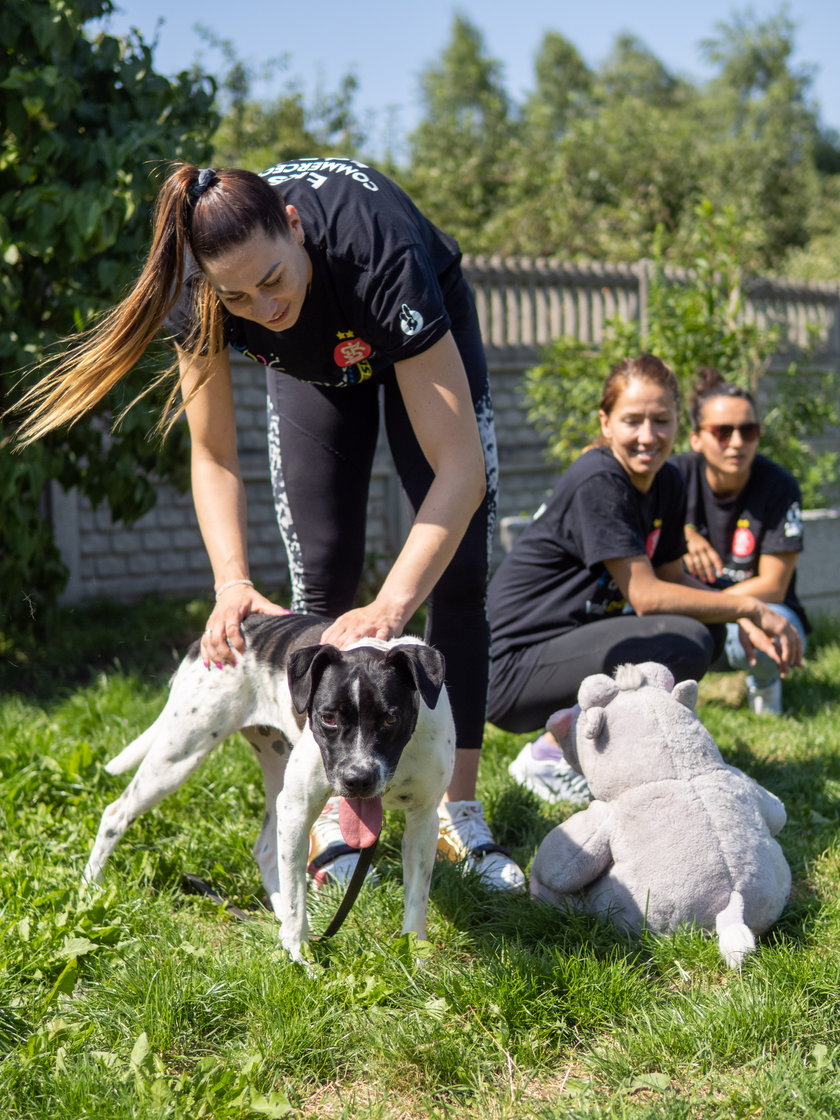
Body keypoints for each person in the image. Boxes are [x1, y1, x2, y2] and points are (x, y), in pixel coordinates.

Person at [14, 157, 524, 891]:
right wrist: (231, 583)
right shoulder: (208, 297)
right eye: (240, 295)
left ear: (294, 224)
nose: (263, 305)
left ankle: (457, 809)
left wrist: (390, 606)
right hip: (317, 368)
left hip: (402, 316)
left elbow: (460, 472)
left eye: (273, 280)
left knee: (461, 571)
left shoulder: (374, 249)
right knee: (321, 569)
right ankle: (333, 808)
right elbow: (215, 452)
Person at [485, 354, 803, 804]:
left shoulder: (666, 481)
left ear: (677, 423)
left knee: (705, 629)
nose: (648, 436)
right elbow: (648, 596)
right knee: (683, 641)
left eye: (661, 420)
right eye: (632, 421)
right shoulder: (598, 477)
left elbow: (672, 576)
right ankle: (549, 757)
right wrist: (749, 607)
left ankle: (598, 752)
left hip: (572, 642)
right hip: (513, 666)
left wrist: (736, 616)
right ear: (606, 422)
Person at [670, 367, 809, 715]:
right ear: (695, 438)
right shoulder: (671, 477)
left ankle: (764, 686)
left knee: (772, 627)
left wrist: (715, 606)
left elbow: (774, 586)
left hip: (754, 606)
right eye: (722, 431)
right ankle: (669, 710)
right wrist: (683, 534)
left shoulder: (779, 485)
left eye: (748, 430)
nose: (736, 442)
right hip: (690, 610)